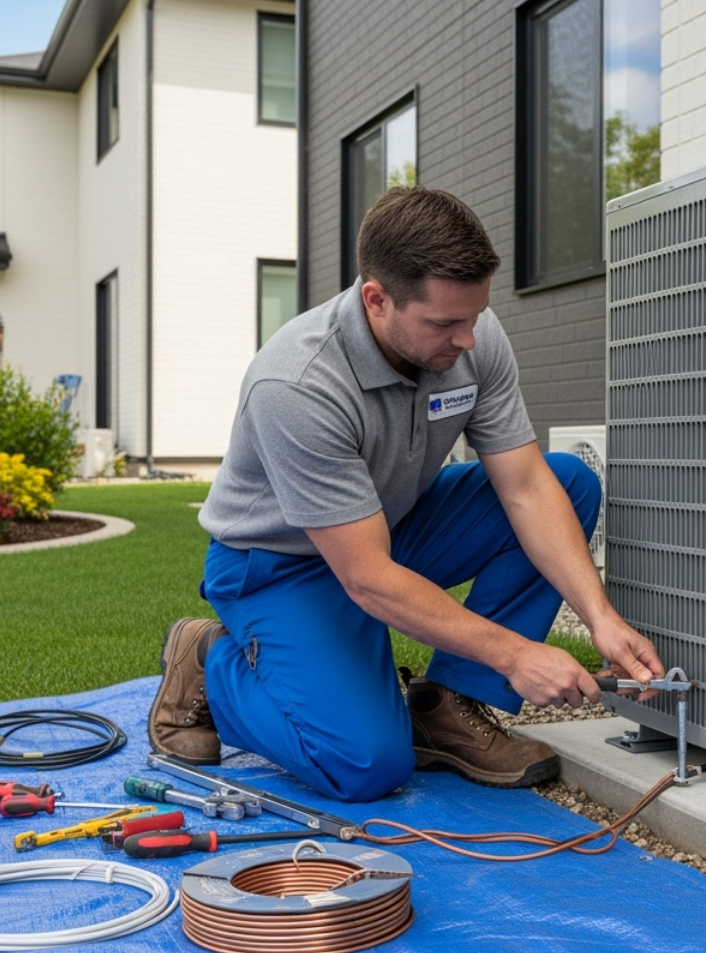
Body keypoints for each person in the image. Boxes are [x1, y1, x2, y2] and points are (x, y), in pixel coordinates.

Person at [147, 186, 663, 802]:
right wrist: (515, 655)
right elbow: (367, 578)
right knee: (363, 763)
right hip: (280, 567)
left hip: (389, 526)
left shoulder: (470, 333)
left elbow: (526, 486)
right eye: (444, 324)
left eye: (475, 316)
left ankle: (446, 708)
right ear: (377, 299)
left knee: (567, 482)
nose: (468, 340)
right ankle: (209, 662)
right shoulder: (298, 384)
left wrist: (601, 618)